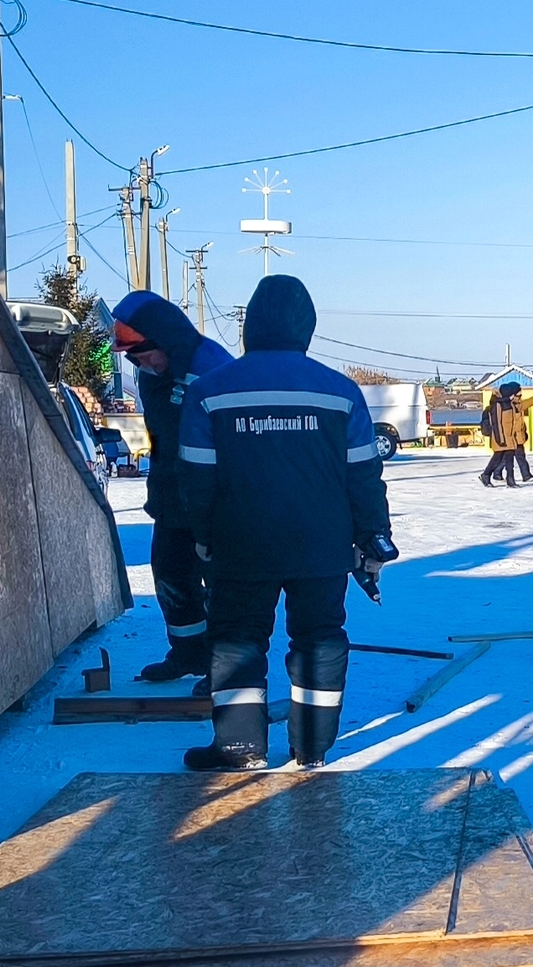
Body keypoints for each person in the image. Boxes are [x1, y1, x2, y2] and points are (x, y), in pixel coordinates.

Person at [177, 275, 395, 771]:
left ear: (249, 326)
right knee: (319, 636)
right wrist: (372, 537)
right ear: (307, 328)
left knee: (236, 638)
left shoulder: (210, 392)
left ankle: (238, 746)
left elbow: (196, 478)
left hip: (239, 542)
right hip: (323, 545)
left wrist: (205, 538)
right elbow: (363, 476)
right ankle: (312, 747)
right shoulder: (341, 393)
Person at [109, 291, 234, 683]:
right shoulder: (152, 373)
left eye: (145, 356)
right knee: (169, 574)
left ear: (166, 341)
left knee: (221, 585)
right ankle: (188, 654)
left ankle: (224, 666)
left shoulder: (212, 369)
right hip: (171, 499)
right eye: (134, 359)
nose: (142, 366)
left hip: (216, 501)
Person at [481, 382, 531, 487]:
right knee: (497, 459)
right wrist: (500, 439)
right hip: (501, 437)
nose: (518, 394)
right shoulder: (498, 405)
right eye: (516, 392)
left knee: (510, 461)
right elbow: (497, 423)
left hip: (510, 437)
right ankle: (486, 475)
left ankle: (510, 481)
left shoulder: (511, 404)